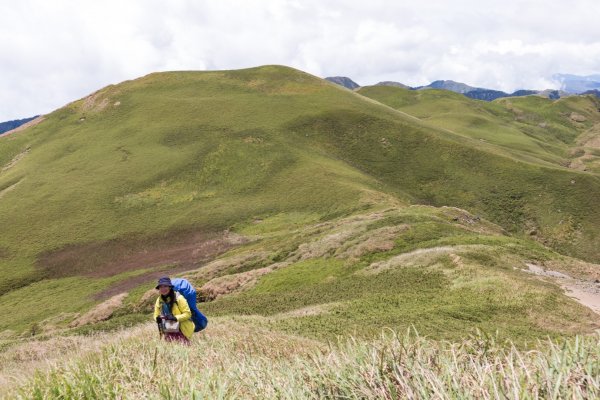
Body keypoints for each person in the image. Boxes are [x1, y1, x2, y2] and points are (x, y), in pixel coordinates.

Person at [153, 276, 194, 343]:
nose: (163, 289)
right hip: (168, 329)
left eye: (165, 286)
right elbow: (156, 314)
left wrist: (175, 318)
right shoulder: (159, 300)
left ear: (170, 287)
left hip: (182, 330)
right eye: (161, 287)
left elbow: (188, 314)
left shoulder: (179, 298)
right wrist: (157, 318)